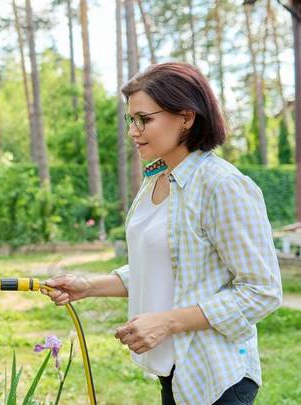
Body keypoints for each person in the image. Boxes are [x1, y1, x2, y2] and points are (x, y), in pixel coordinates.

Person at [41, 62, 282, 405]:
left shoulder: (222, 186)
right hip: (175, 373)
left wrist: (167, 323)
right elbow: (167, 266)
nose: (133, 131)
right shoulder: (157, 180)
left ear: (186, 117)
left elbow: (262, 290)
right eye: (131, 120)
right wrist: (88, 286)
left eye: (144, 119)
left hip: (216, 379)